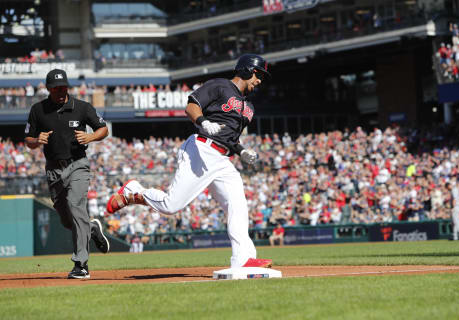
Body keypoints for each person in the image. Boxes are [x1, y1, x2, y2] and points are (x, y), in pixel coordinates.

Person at [106, 54, 273, 268]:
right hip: (201, 148)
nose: (259, 80)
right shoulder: (220, 85)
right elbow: (192, 106)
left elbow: (230, 137)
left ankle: (244, 259)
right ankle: (133, 191)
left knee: (238, 205)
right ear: (247, 70)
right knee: (171, 205)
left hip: (222, 159)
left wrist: (241, 151)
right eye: (258, 74)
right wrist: (203, 121)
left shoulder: (248, 107)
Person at [24, 69, 110, 279]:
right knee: (66, 219)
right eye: (56, 88)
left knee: (76, 205)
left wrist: (90, 138)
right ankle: (90, 229)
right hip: (53, 169)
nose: (61, 91)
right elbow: (28, 140)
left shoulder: (81, 107)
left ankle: (81, 264)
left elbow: (103, 129)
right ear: (48, 89)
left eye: (64, 87)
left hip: (77, 164)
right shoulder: (38, 110)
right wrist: (37, 141)